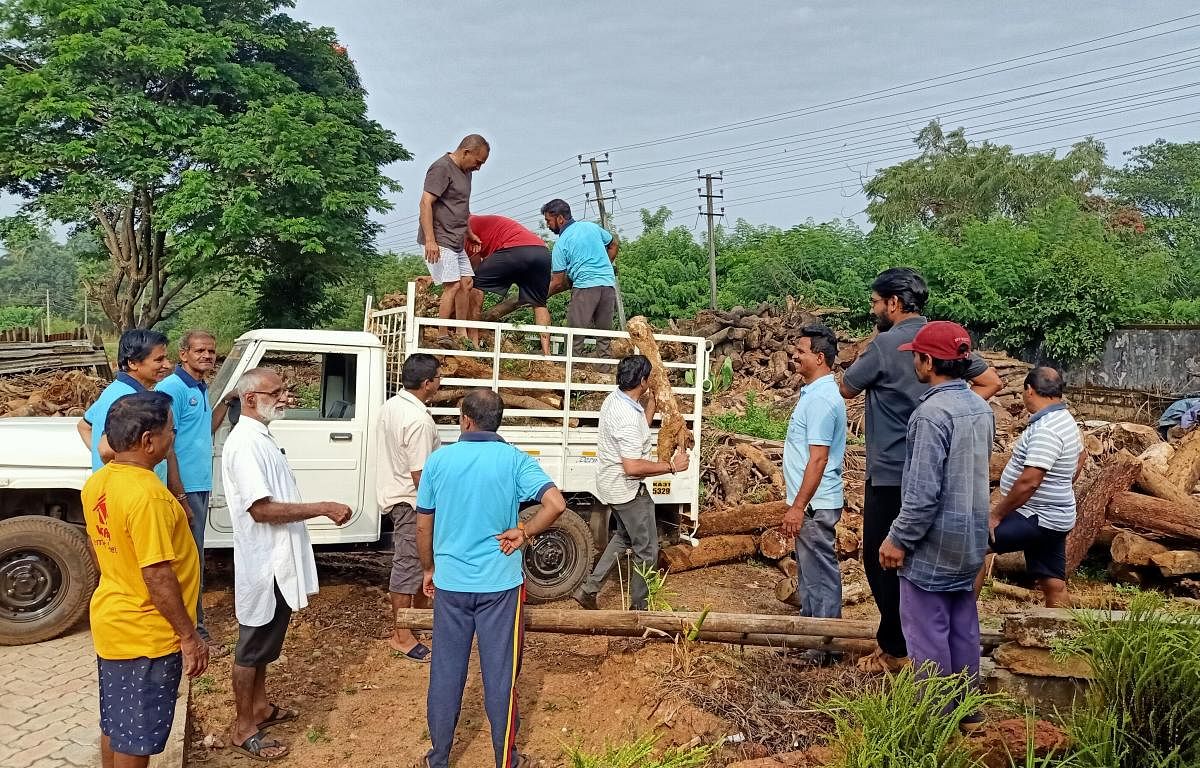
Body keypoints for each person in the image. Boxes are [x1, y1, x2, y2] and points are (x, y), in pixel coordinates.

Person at [839, 267, 1002, 673]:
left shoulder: (890, 351)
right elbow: (991, 381)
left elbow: (844, 388)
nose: (874, 310)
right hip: (964, 516)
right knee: (960, 611)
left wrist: (930, 416)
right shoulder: (970, 395)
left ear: (893, 303)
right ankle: (964, 699)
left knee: (893, 571)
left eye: (876, 303)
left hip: (898, 475)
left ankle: (905, 664)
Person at [416, 389, 567, 768]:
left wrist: (429, 569)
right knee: (500, 676)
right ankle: (506, 761)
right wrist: (526, 532)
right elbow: (556, 504)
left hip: (451, 584)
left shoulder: (439, 462)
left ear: (465, 418)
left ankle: (438, 759)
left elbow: (423, 524)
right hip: (500, 586)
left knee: (446, 673)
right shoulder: (514, 461)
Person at [220, 368, 353, 761]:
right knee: (251, 647)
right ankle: (243, 727)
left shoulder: (261, 437)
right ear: (249, 399)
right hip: (264, 563)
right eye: (275, 392)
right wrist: (323, 507)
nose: (284, 397)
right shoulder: (245, 444)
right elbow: (261, 510)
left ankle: (259, 708)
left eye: (284, 390)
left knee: (265, 645)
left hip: (277, 561)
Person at [82, 392, 207, 768]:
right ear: (148, 441)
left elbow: (97, 544)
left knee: (117, 726)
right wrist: (188, 635)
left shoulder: (98, 483)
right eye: (171, 430)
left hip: (114, 621)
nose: (174, 438)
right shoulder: (147, 496)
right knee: (136, 741)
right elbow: (157, 573)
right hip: (147, 635)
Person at [878, 321, 993, 722]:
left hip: (934, 541)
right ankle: (968, 709)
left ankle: (936, 719)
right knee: (963, 622)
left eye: (915, 355)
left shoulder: (930, 414)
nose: (914, 361)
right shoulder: (980, 408)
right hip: (972, 538)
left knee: (926, 632)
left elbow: (922, 493)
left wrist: (898, 539)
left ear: (927, 361)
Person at [575, 355, 689, 611]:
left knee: (624, 537)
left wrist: (650, 406)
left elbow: (636, 433)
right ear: (642, 380)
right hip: (626, 489)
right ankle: (641, 610)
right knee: (647, 550)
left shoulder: (617, 399)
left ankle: (589, 589)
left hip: (612, 484)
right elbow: (633, 467)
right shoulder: (625, 415)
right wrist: (672, 467)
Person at [979, 367, 1085, 607]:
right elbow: (1082, 456)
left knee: (974, 547)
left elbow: (1030, 482)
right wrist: (1061, 486)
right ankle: (1062, 640)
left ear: (1029, 390)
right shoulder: (1065, 419)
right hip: (1055, 515)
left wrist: (996, 516)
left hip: (1037, 517)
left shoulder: (1046, 429)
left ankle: (964, 628)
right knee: (1052, 582)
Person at [155, 330, 228, 656]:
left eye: (211, 351)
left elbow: (203, 429)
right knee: (188, 563)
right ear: (183, 354)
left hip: (199, 485)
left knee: (191, 560)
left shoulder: (199, 388)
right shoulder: (173, 388)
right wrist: (179, 494)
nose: (207, 356)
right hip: (183, 488)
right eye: (200, 351)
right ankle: (195, 634)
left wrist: (227, 401)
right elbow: (165, 442)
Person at [779, 325, 848, 665]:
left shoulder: (821, 399)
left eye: (801, 351)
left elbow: (818, 457)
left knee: (819, 575)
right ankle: (814, 640)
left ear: (819, 358)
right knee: (810, 573)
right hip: (812, 504)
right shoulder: (813, 393)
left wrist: (798, 505)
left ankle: (825, 647)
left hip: (814, 505)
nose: (794, 355)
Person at [377, 353, 442, 661]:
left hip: (396, 495)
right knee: (409, 566)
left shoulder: (393, 406)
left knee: (415, 566)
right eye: (438, 378)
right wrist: (433, 512)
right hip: (411, 501)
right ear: (427, 383)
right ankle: (401, 635)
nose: (440, 383)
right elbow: (420, 477)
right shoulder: (417, 420)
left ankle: (413, 623)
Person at [77, 328, 185, 499]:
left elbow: (84, 426)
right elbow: (105, 449)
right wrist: (127, 469)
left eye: (166, 358)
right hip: (133, 496)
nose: (168, 365)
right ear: (133, 363)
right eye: (159, 360)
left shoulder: (117, 390)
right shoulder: (128, 399)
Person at [419, 134, 490, 347]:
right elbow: (425, 203)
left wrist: (469, 232)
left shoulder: (467, 173)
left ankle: (461, 331)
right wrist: (430, 240)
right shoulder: (441, 168)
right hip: (440, 237)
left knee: (467, 282)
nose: (478, 167)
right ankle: (442, 334)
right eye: (478, 162)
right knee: (453, 285)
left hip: (456, 238)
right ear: (466, 152)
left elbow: (461, 207)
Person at [540, 198, 619, 356]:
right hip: (608, 286)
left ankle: (573, 373)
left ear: (560, 219)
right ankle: (603, 373)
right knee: (604, 339)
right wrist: (604, 266)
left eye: (549, 221)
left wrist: (539, 297)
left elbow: (556, 282)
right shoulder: (591, 227)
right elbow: (614, 245)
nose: (548, 225)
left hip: (585, 288)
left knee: (574, 337)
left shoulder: (561, 244)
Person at [467, 213, 554, 355]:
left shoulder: (465, 227)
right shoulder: (476, 221)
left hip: (514, 250)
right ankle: (547, 353)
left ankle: (473, 341)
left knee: (475, 284)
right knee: (539, 303)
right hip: (541, 251)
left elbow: (473, 269)